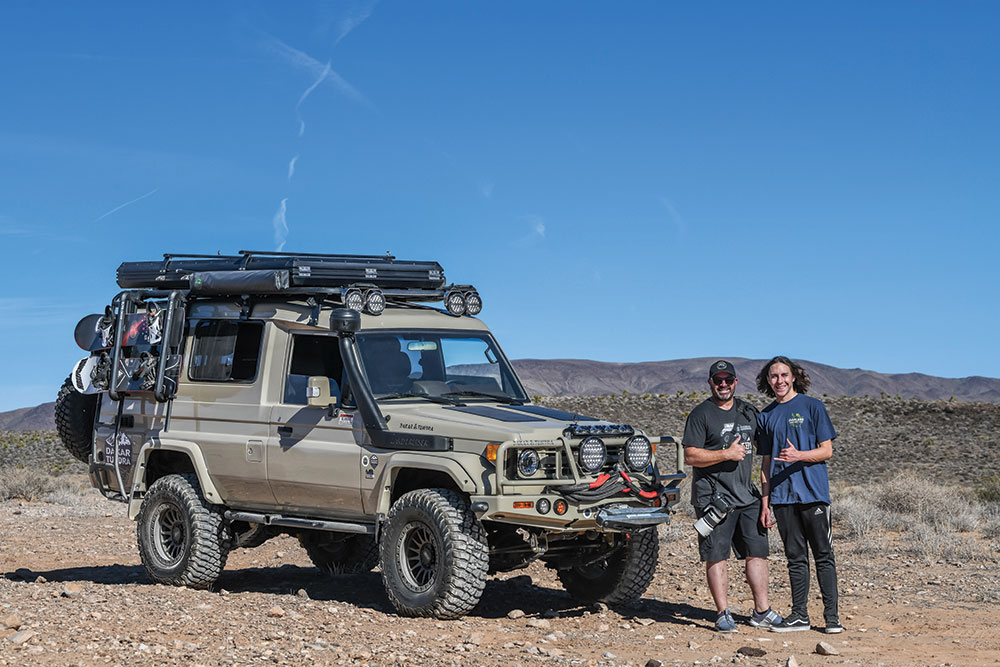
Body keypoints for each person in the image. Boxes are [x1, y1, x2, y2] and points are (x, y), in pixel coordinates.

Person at [682, 360, 783, 633]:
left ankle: (762, 611)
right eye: (718, 380)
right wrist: (725, 454)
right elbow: (690, 455)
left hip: (747, 496)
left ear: (736, 382)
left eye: (728, 380)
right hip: (713, 499)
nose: (723, 384)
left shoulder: (749, 412)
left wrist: (765, 499)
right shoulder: (701, 414)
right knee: (717, 555)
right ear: (710, 383)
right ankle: (722, 612)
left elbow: (765, 455)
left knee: (758, 552)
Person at [755, 356, 842, 634]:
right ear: (768, 381)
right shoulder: (766, 416)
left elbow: (826, 450)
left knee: (823, 555)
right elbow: (766, 464)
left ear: (793, 377)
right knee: (795, 558)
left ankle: (832, 618)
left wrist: (799, 456)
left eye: (783, 375)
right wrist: (765, 503)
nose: (779, 381)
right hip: (782, 498)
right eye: (773, 376)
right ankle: (799, 615)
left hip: (813, 494)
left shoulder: (812, 406)